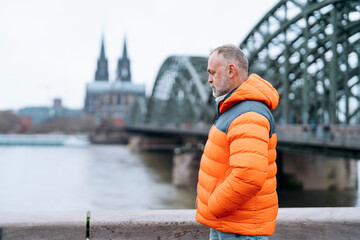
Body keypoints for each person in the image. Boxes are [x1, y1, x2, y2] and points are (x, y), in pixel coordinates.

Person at [195, 44, 279, 240]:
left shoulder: (248, 112)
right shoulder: (235, 108)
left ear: (230, 71)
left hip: (239, 230)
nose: (209, 79)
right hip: (230, 223)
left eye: (212, 72)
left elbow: (248, 176)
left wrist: (213, 204)